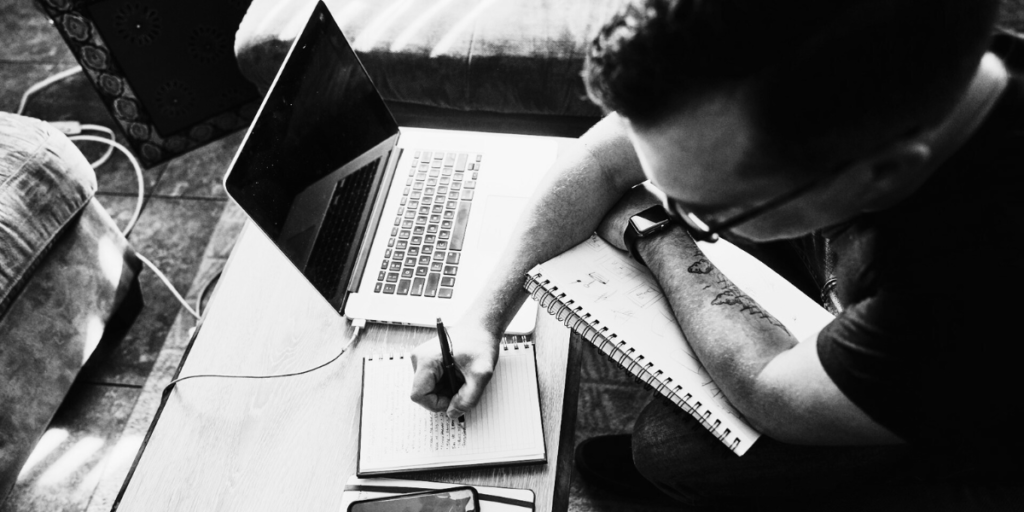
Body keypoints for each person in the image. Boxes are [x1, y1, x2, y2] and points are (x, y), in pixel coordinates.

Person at [409, 0, 1024, 508]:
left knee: (671, 451)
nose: (681, 208)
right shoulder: (839, 66)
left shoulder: (966, 288)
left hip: (975, 414)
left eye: (709, 208)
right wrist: (484, 316)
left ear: (883, 174)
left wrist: (654, 229)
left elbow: (771, 390)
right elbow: (601, 160)